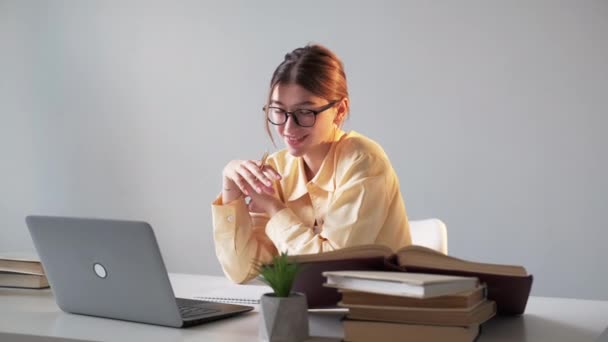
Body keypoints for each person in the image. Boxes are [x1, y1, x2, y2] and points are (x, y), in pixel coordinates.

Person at [212, 44, 411, 283]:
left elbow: (330, 270)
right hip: (311, 310)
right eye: (278, 111)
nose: (288, 128)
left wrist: (274, 208)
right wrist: (231, 192)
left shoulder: (364, 160)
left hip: (377, 310)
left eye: (305, 112)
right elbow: (244, 272)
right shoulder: (279, 168)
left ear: (340, 110)